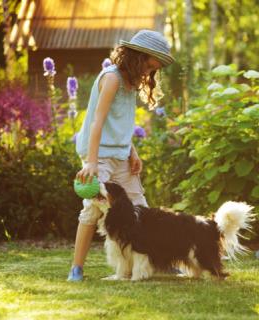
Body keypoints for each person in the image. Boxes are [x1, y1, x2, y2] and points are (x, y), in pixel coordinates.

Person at [68, 30, 175, 281]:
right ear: (139, 57)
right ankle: (76, 268)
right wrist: (92, 162)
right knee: (92, 210)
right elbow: (97, 121)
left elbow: (122, 122)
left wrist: (132, 152)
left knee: (140, 208)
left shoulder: (131, 82)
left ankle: (158, 261)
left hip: (120, 153)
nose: (149, 74)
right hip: (99, 155)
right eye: (150, 66)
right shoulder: (112, 78)